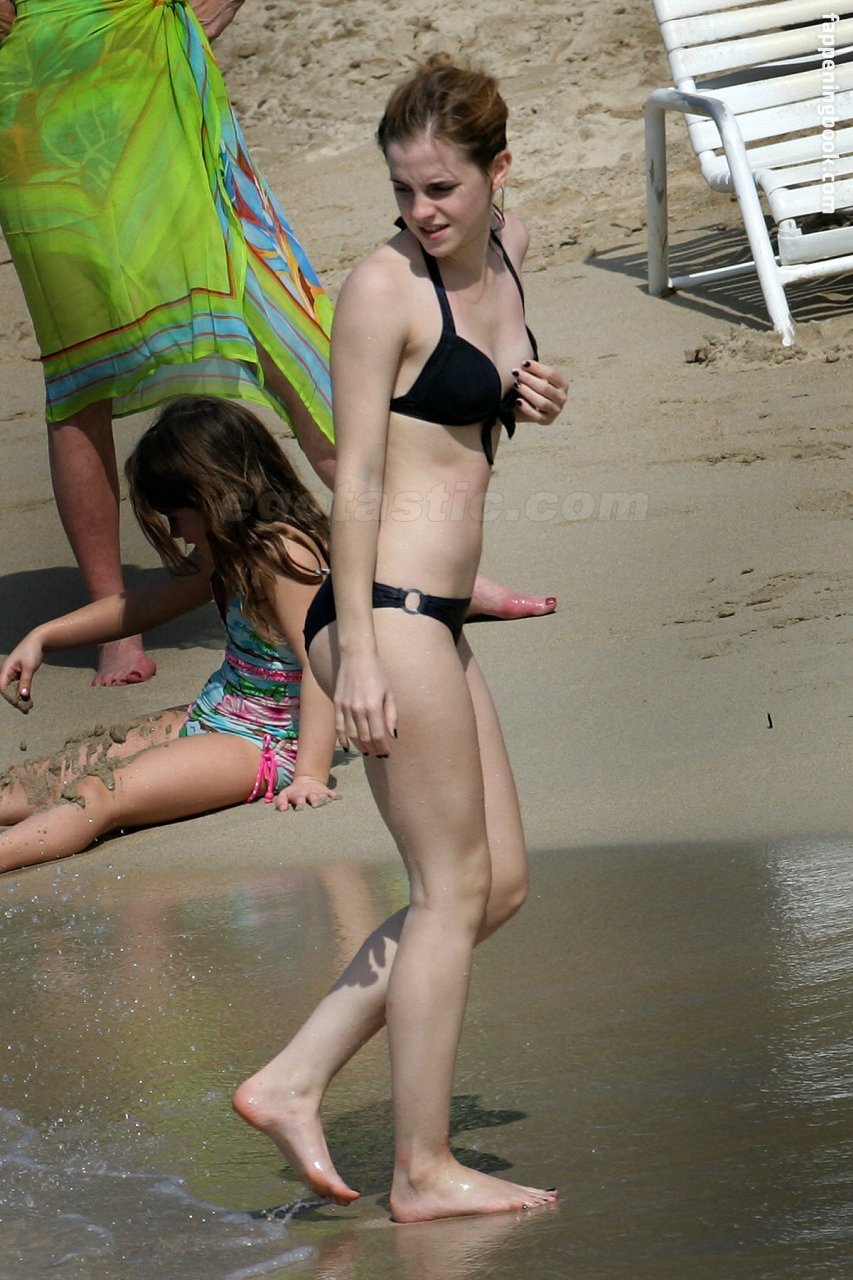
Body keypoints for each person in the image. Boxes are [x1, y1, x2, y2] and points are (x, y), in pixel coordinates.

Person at [232, 56, 567, 1223]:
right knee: (447, 888)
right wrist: (361, 658)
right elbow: (361, 475)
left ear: (494, 172)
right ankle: (421, 1169)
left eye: (441, 188)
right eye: (403, 191)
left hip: (437, 612)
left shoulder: (510, 244)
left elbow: (465, 419)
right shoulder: (382, 288)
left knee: (496, 884)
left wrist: (527, 395)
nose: (422, 211)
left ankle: (293, 1077)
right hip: (383, 615)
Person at [0, 2, 555, 690]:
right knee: (79, 362)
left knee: (274, 305)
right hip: (37, 88)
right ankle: (115, 623)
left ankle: (425, 563)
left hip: (152, 67)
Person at [0, 397, 335, 874]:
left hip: (270, 743)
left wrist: (311, 775)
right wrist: (44, 635)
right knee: (57, 772)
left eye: (176, 515)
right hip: (216, 714)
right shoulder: (229, 546)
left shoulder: (285, 556)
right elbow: (144, 604)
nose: (177, 533)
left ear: (214, 497)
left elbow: (323, 662)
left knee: (98, 792)